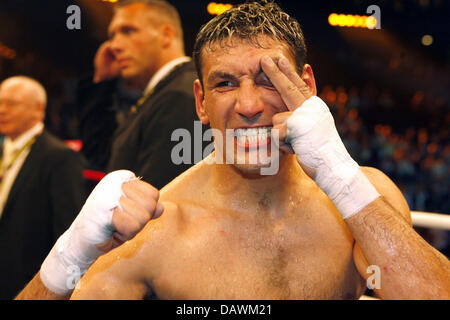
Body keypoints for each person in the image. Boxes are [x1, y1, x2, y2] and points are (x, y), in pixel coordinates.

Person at [18, 1, 450, 300]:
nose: (248, 106)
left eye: (268, 78)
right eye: (225, 83)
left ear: (308, 87)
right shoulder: (155, 229)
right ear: (201, 103)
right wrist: (65, 259)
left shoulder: (363, 202)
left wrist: (343, 179)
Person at [78, 0, 204, 189]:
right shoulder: (162, 92)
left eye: (128, 31)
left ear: (166, 35)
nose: (114, 46)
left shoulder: (180, 96)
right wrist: (101, 83)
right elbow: (102, 160)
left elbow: (159, 203)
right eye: (112, 35)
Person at [0, 76, 87, 299]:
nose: (2, 110)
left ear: (38, 109)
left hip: (30, 284)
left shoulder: (60, 157)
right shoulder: (4, 149)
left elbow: (68, 232)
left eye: (11, 103)